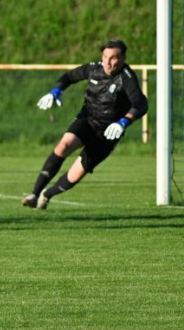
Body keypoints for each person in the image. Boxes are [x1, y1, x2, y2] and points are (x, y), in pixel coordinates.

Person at [21, 39, 148, 210]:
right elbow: (69, 76)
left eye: (113, 58)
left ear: (123, 58)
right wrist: (56, 91)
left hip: (108, 133)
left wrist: (123, 122)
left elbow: (140, 104)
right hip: (87, 120)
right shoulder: (94, 68)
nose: (107, 62)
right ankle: (34, 194)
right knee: (63, 146)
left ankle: (46, 194)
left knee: (76, 174)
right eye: (105, 57)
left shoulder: (126, 77)